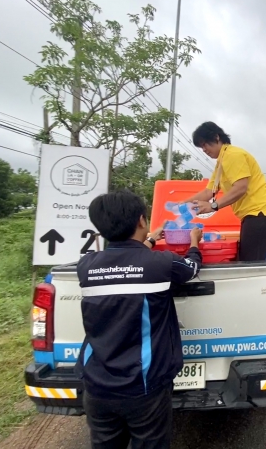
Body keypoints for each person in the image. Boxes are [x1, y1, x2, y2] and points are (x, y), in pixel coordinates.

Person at [75, 190, 203, 449]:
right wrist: (194, 243)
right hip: (143, 387)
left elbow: (124, 263)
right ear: (142, 220)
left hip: (97, 385)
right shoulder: (161, 263)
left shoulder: (86, 266)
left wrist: (150, 240)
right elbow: (191, 269)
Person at [185, 121, 266, 261]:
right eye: (201, 147)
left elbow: (241, 187)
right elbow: (209, 192)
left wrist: (212, 206)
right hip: (252, 213)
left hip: (260, 210)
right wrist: (181, 204)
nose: (203, 149)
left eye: (204, 144)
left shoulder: (233, 155)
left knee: (251, 261)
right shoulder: (221, 161)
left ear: (216, 137)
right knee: (246, 258)